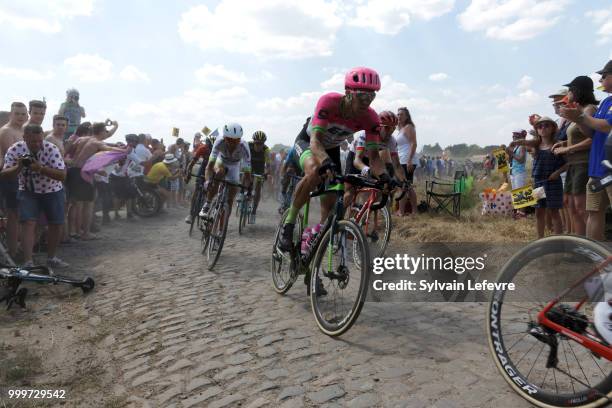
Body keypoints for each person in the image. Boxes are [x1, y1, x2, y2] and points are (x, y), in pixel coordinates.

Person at [278, 67, 388, 253]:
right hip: (309, 142)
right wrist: (324, 162)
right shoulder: (329, 102)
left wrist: (384, 176)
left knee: (332, 199)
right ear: (348, 93)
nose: (366, 101)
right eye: (362, 95)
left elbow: (375, 156)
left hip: (332, 149)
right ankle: (288, 225)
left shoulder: (370, 118)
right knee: (314, 171)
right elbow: (315, 141)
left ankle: (316, 237)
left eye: (371, 96)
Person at [0, 125, 68, 267]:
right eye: (33, 142)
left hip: (53, 190)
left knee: (56, 223)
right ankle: (28, 261)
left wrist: (41, 169)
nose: (37, 144)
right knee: (28, 223)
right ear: (25, 138)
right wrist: (18, 167)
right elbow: (5, 174)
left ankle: (52, 258)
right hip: (28, 190)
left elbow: (62, 175)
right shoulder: (15, 149)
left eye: (39, 141)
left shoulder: (51, 149)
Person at [560, 65, 612, 241]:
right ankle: (594, 257)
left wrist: (581, 117)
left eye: (604, 75)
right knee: (593, 212)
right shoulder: (606, 102)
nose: (600, 80)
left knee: (587, 211)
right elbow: (592, 133)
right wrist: (578, 119)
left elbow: (607, 126)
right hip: (597, 169)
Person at [551, 78, 597, 236]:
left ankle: (592, 246)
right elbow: (577, 136)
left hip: (583, 163)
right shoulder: (577, 112)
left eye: (570, 90)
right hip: (573, 164)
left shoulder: (588, 109)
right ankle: (580, 244)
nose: (568, 93)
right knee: (571, 206)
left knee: (581, 207)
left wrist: (568, 148)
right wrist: (563, 144)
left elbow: (592, 139)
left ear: (577, 91)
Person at [510, 116, 566, 238]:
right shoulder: (536, 144)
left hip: (553, 183)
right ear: (537, 130)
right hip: (539, 182)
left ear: (553, 128)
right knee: (539, 212)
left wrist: (557, 173)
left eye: (546, 125)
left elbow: (568, 163)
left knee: (554, 212)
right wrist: (516, 142)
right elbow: (526, 142)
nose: (543, 128)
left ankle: (559, 240)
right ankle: (540, 239)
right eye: (540, 126)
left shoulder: (557, 144)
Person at [67, 121, 120, 239]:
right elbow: (108, 148)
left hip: (74, 171)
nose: (106, 134)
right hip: (83, 173)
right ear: (101, 132)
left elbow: (70, 153)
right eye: (104, 131)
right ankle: (85, 233)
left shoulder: (80, 139)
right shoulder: (95, 141)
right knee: (87, 205)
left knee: (75, 205)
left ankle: (73, 232)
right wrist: (123, 150)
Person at [344, 111, 409, 207]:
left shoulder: (391, 140)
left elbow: (397, 165)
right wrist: (367, 170)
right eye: (387, 128)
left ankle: (362, 215)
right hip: (356, 157)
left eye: (393, 128)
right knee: (350, 191)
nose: (390, 131)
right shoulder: (365, 134)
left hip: (373, 160)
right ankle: (340, 217)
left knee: (379, 190)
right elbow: (357, 160)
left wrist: (404, 181)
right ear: (379, 126)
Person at [199, 123, 252, 218]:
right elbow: (209, 166)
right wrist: (207, 181)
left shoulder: (244, 146)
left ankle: (222, 227)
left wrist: (247, 190)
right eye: (230, 140)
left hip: (235, 165)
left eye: (237, 140)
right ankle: (207, 204)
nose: (233, 143)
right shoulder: (219, 141)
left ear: (240, 139)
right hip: (221, 161)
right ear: (224, 137)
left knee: (231, 198)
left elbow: (247, 174)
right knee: (220, 172)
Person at [0, 102, 28, 258]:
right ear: (11, 114)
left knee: (19, 216)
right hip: (10, 178)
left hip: (20, 178)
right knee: (13, 215)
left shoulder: (22, 130)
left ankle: (17, 248)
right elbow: (12, 158)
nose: (20, 117)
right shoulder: (6, 131)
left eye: (23, 114)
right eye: (17, 113)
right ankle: (12, 251)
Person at [395, 107, 418, 215]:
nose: (399, 116)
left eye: (401, 114)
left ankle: (403, 211)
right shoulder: (401, 129)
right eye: (398, 114)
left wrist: (409, 160)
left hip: (408, 161)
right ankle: (411, 211)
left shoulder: (409, 127)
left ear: (407, 116)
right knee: (406, 186)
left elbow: (414, 143)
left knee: (404, 187)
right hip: (402, 161)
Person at [247, 130, 270, 217]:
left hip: (260, 168)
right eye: (256, 143)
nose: (258, 145)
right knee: (246, 179)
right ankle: (243, 192)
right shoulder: (248, 145)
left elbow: (268, 165)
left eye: (261, 143)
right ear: (253, 141)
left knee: (258, 188)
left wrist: (266, 173)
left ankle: (254, 210)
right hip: (249, 166)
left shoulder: (266, 150)